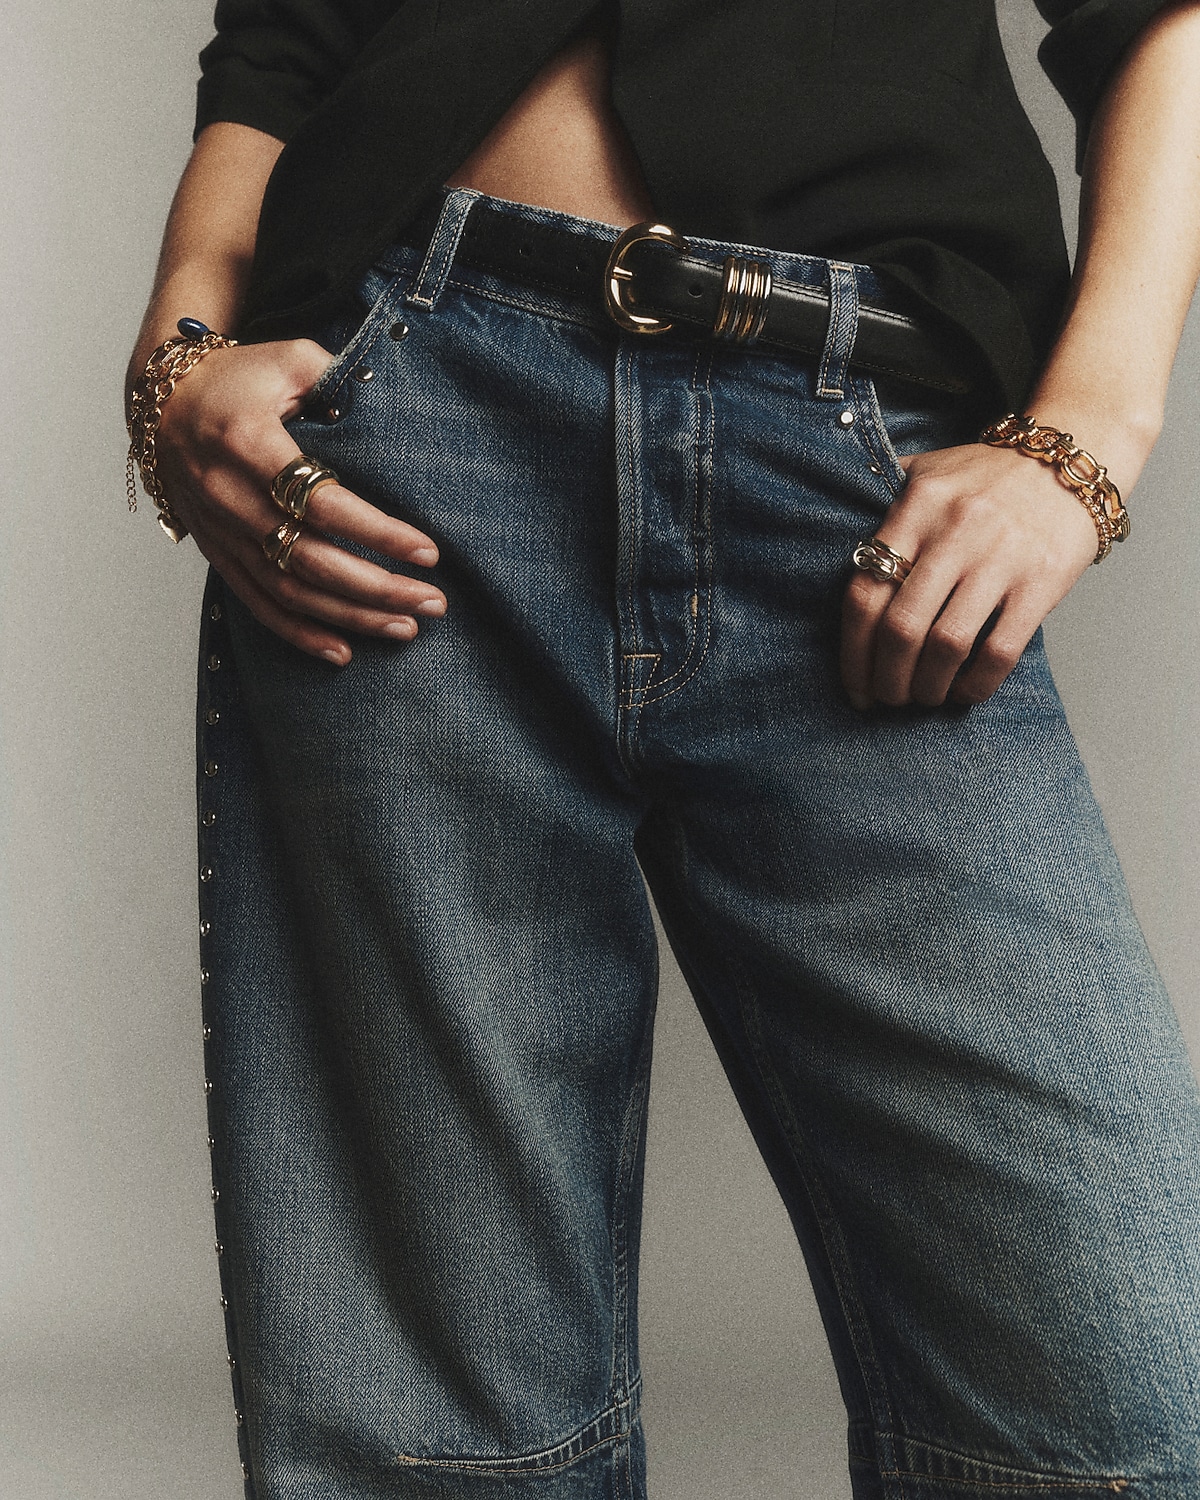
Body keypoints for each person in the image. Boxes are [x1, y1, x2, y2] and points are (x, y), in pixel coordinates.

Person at [126, 2, 1200, 1496]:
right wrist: (181, 347)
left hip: (853, 469)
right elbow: (283, 37)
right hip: (410, 435)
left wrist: (1087, 432)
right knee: (436, 1441)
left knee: (1114, 1420)